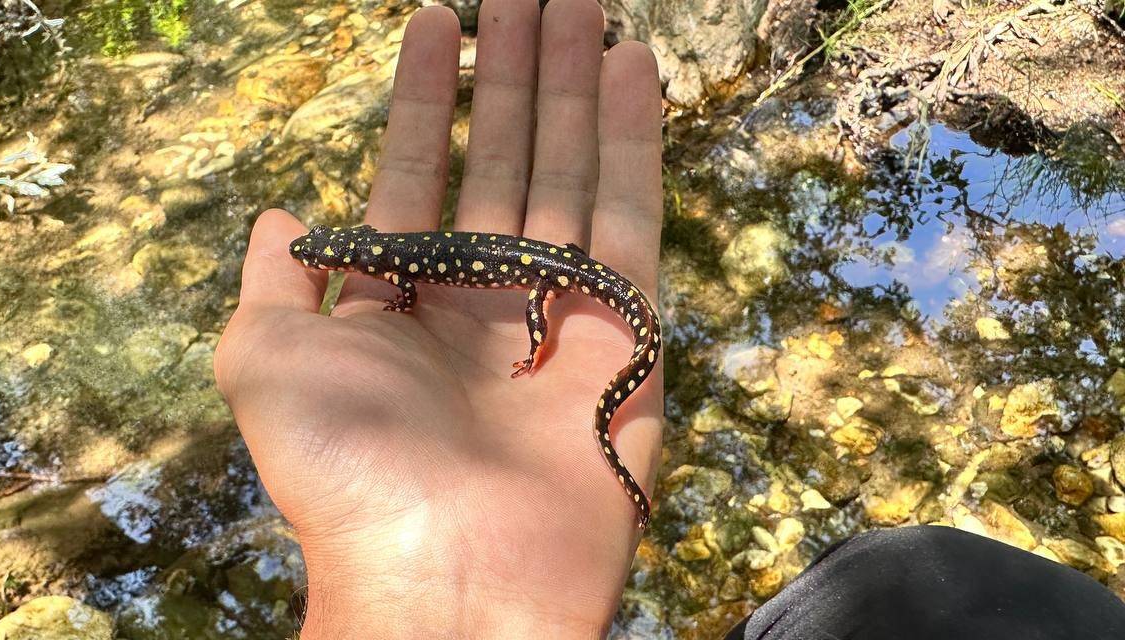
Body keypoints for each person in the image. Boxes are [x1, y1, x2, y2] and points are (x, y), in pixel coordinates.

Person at [213, 1, 1125, 637]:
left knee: (897, 585)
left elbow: (414, 285)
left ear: (348, 260)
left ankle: (581, 388)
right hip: (555, 274)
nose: (336, 261)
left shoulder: (404, 267)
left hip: (556, 279)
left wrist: (538, 333)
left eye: (330, 256)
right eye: (332, 257)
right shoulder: (394, 261)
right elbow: (411, 281)